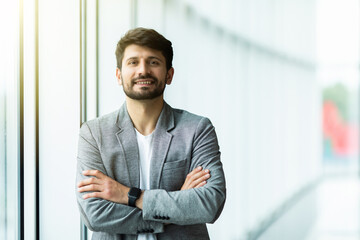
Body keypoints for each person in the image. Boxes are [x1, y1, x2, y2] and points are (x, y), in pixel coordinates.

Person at [75, 27, 226, 240]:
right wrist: (178, 204)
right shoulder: (94, 133)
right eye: (133, 62)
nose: (143, 70)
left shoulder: (197, 129)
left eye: (153, 62)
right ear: (119, 75)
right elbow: (95, 215)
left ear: (169, 74)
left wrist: (127, 195)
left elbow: (210, 203)